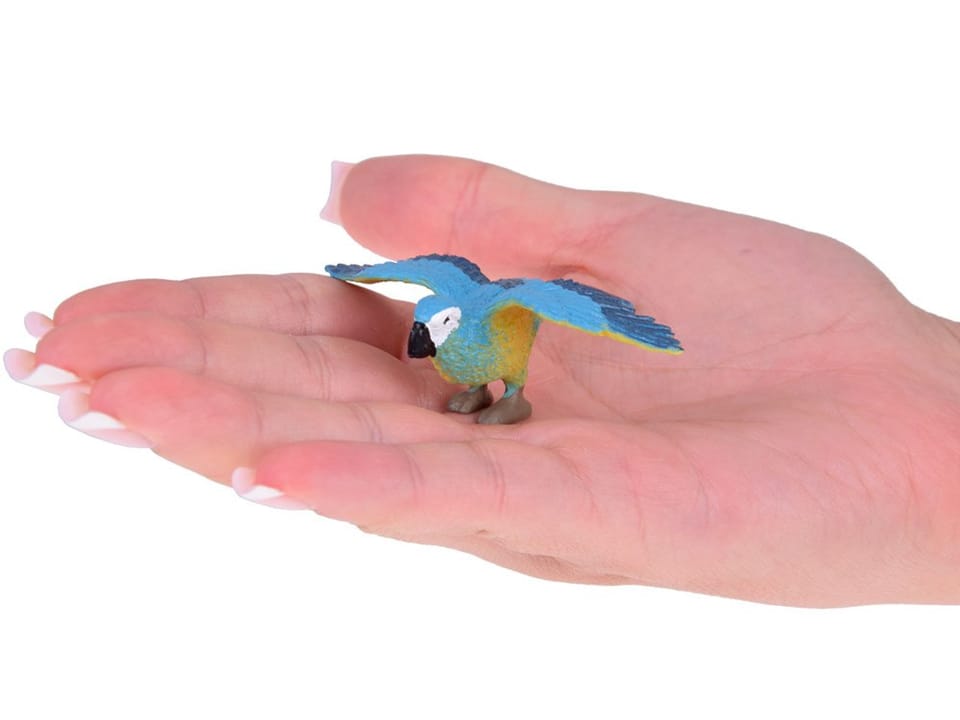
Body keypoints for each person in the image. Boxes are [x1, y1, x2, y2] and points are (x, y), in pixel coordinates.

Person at [6, 155, 960, 607]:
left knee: (502, 385)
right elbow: (406, 282)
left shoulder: (508, 310)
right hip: (469, 348)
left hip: (507, 357)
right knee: (453, 371)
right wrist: (362, 278)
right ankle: (479, 398)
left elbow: (566, 308)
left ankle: (504, 399)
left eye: (437, 322)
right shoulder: (439, 300)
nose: (429, 327)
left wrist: (924, 454)